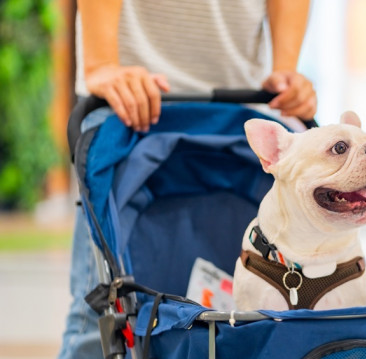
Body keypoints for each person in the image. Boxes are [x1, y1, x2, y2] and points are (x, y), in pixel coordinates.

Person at [58, 1, 316, 358]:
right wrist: (102, 64)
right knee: (102, 310)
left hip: (243, 115)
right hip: (127, 107)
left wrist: (286, 71)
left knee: (249, 306)